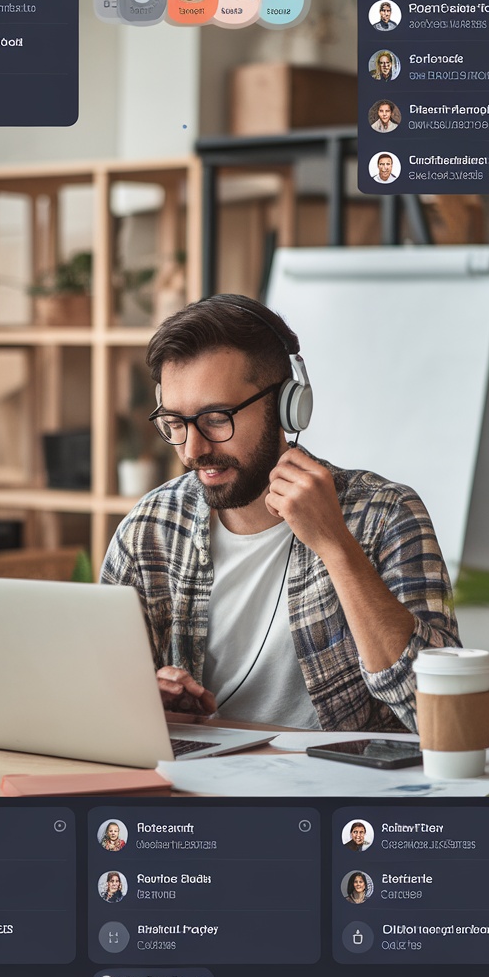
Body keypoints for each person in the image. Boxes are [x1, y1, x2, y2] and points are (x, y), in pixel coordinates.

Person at [101, 295, 458, 733]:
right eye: (175, 423)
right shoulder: (149, 531)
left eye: (216, 419)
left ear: (288, 406)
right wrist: (144, 698)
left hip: (346, 791)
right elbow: (98, 699)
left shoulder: (385, 516)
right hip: (196, 788)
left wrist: (335, 545)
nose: (193, 450)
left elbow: (442, 712)